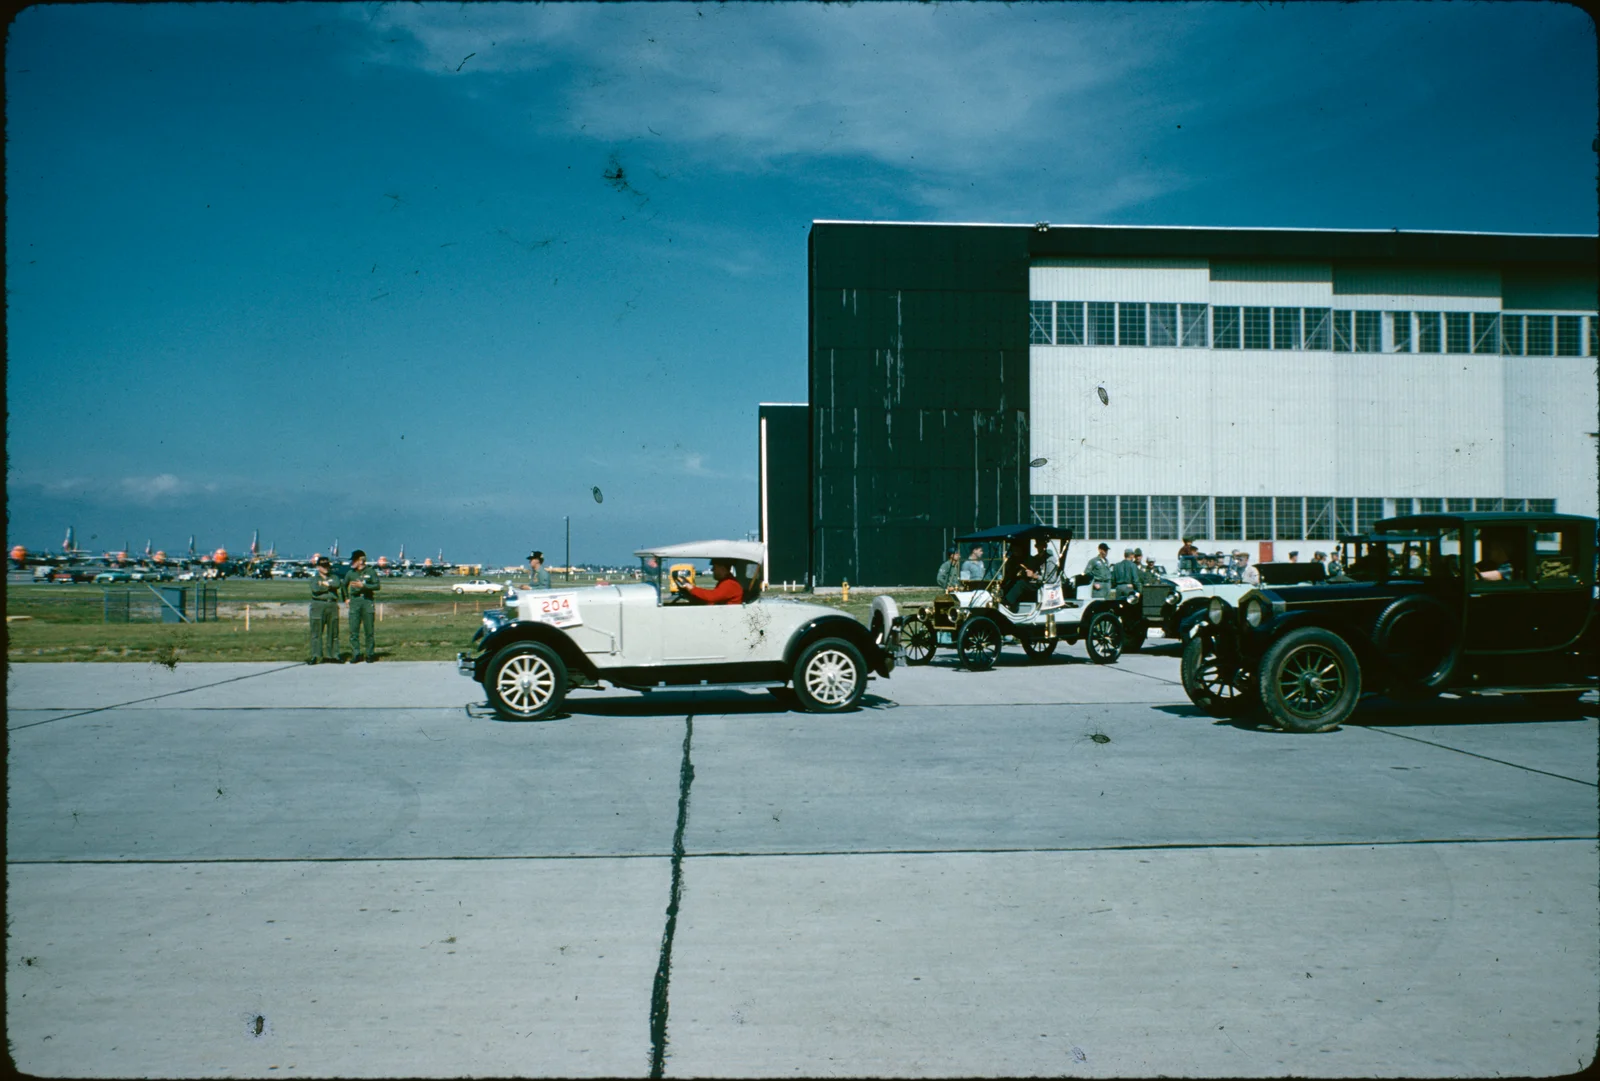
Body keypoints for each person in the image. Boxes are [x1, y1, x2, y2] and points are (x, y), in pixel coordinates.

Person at [345, 549, 380, 663]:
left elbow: (377, 585)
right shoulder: (351, 573)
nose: (352, 563)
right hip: (355, 601)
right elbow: (343, 585)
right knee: (353, 630)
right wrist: (346, 598)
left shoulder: (370, 571)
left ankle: (370, 654)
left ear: (361, 560)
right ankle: (356, 654)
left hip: (367, 601)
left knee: (369, 630)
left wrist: (364, 586)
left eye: (354, 560)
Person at [308, 556, 341, 664]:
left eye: (327, 566)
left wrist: (325, 584)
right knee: (316, 632)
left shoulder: (334, 577)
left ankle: (334, 655)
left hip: (331, 604)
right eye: (323, 566)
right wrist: (328, 586)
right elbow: (315, 589)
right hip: (318, 605)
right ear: (318, 567)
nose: (326, 568)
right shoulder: (314, 579)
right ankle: (316, 655)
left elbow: (337, 584)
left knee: (333, 632)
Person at [1002, 538, 1046, 608]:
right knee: (1008, 583)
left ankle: (1006, 603)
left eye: (1017, 550)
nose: (1015, 552)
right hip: (1023, 581)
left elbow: (1045, 577)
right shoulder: (1012, 560)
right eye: (1014, 550)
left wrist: (1032, 575)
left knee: (1020, 583)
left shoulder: (1032, 560)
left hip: (1035, 583)